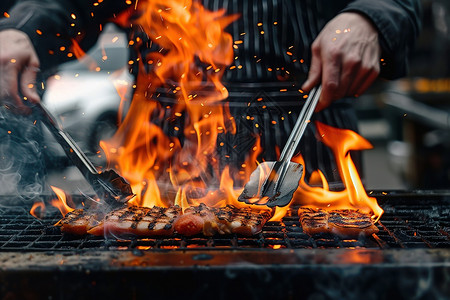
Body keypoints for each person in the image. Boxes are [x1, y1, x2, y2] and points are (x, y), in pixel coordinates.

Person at [0, 0, 422, 200]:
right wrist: (22, 29)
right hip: (164, 148)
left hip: (308, 141)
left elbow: (399, 4)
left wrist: (369, 16)